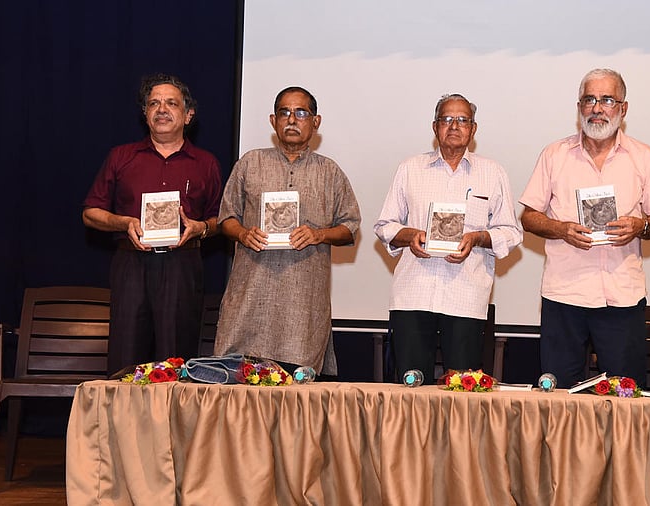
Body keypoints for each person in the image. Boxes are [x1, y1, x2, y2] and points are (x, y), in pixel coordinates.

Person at [519, 69, 650, 388]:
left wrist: (640, 225)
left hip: (622, 295)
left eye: (607, 99)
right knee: (558, 393)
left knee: (625, 395)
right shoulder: (554, 154)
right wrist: (561, 229)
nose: (598, 107)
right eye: (590, 99)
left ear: (623, 108)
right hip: (564, 292)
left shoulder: (644, 157)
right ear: (579, 107)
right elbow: (529, 217)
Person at [374, 93, 522, 383]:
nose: (454, 126)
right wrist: (410, 236)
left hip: (466, 295)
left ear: (473, 128)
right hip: (413, 294)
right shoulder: (410, 168)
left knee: (462, 389)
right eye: (447, 119)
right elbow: (384, 225)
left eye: (462, 120)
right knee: (411, 387)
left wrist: (478, 237)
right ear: (434, 127)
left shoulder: (492, 173)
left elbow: (512, 232)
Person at [214, 86, 361, 376]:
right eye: (285, 112)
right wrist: (243, 234)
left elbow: (349, 228)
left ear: (315, 122)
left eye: (301, 113)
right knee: (241, 390)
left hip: (302, 304)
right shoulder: (250, 163)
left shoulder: (330, 172)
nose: (292, 119)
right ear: (273, 120)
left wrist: (319, 235)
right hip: (250, 298)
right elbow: (226, 218)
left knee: (298, 396)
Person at [83, 73, 223, 374]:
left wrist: (202, 228)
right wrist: (123, 222)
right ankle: (121, 421)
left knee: (177, 358)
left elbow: (221, 221)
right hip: (131, 263)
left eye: (171, 103)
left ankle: (174, 421)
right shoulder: (121, 157)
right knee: (125, 358)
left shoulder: (206, 163)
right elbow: (90, 212)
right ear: (145, 114)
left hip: (182, 265)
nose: (162, 109)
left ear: (188, 115)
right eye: (154, 103)